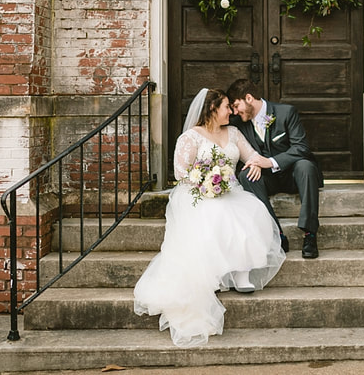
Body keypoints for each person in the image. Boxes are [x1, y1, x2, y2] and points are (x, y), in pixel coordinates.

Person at [133, 88, 286, 348]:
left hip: (228, 190)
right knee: (214, 216)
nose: (231, 112)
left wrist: (256, 165)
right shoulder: (190, 137)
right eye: (227, 107)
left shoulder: (234, 133)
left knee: (249, 211)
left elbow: (250, 157)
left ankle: (242, 273)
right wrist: (205, 183)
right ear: (213, 108)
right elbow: (181, 173)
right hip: (197, 193)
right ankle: (213, 274)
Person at [226, 78, 323, 259]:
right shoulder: (238, 124)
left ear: (248, 98)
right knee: (246, 175)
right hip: (266, 179)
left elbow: (301, 148)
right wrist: (255, 163)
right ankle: (276, 234)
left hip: (293, 175)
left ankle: (310, 234)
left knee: (306, 165)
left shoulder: (286, 112)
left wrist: (270, 162)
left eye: (236, 105)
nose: (234, 111)